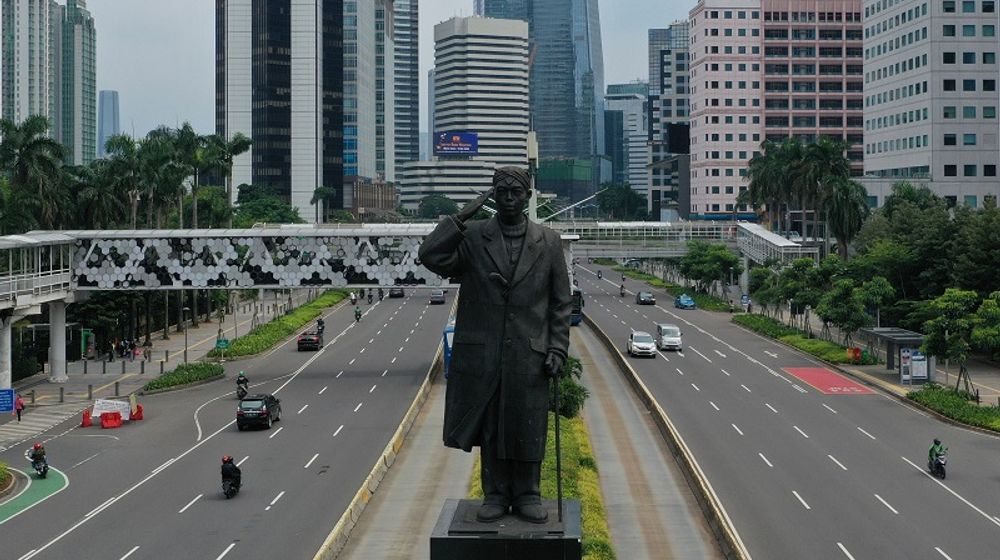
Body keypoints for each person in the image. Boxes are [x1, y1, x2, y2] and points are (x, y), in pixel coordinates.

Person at [419, 166, 571, 525]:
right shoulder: (472, 237)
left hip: (529, 353)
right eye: (500, 192)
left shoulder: (548, 241)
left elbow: (560, 303)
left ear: (527, 197)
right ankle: (496, 493)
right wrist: (460, 217)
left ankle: (528, 493)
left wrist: (558, 348)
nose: (507, 198)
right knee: (491, 426)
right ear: (491, 197)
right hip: (484, 354)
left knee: (527, 423)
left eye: (515, 193)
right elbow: (430, 256)